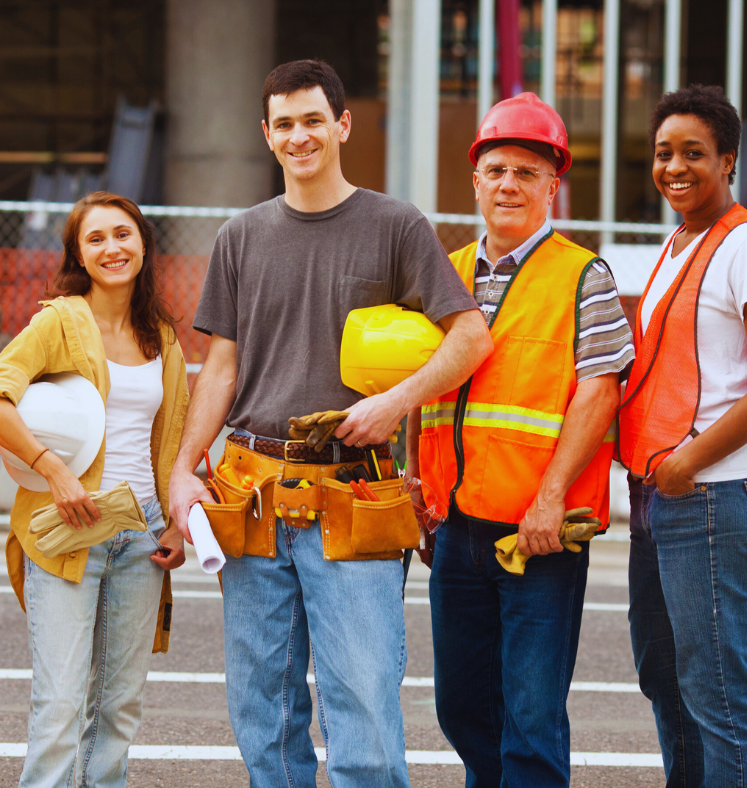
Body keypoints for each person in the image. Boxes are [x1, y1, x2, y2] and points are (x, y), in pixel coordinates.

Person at [168, 59, 492, 788]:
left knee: (365, 714)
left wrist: (393, 402)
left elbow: (470, 337)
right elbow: (220, 369)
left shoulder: (395, 225)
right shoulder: (240, 237)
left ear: (342, 125)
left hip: (353, 497)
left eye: (313, 119)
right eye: (284, 123)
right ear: (266, 135)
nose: (299, 135)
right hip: (252, 495)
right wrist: (184, 468)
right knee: (263, 714)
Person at [408, 92, 634, 788]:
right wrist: (417, 488)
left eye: (527, 172)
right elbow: (421, 388)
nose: (509, 184)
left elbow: (600, 392)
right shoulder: (444, 270)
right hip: (455, 527)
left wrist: (550, 498)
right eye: (497, 169)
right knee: (462, 705)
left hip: (539, 533)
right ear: (476, 180)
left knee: (532, 717)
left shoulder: (582, 276)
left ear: (551, 187)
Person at [0, 191, 187, 788]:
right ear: (78, 256)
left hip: (141, 532)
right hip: (70, 530)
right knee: (61, 704)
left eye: (123, 234)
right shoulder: (60, 320)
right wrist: (53, 468)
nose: (112, 248)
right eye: (96, 239)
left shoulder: (162, 337)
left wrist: (173, 519)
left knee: (120, 705)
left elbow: (167, 441)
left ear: (143, 243)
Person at [618, 84, 747, 788]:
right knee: (664, 678)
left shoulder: (741, 244)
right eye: (664, 152)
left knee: (718, 692)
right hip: (659, 496)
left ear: (728, 159)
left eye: (694, 153)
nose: (675, 167)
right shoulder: (675, 245)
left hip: (708, 493)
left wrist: (688, 461)